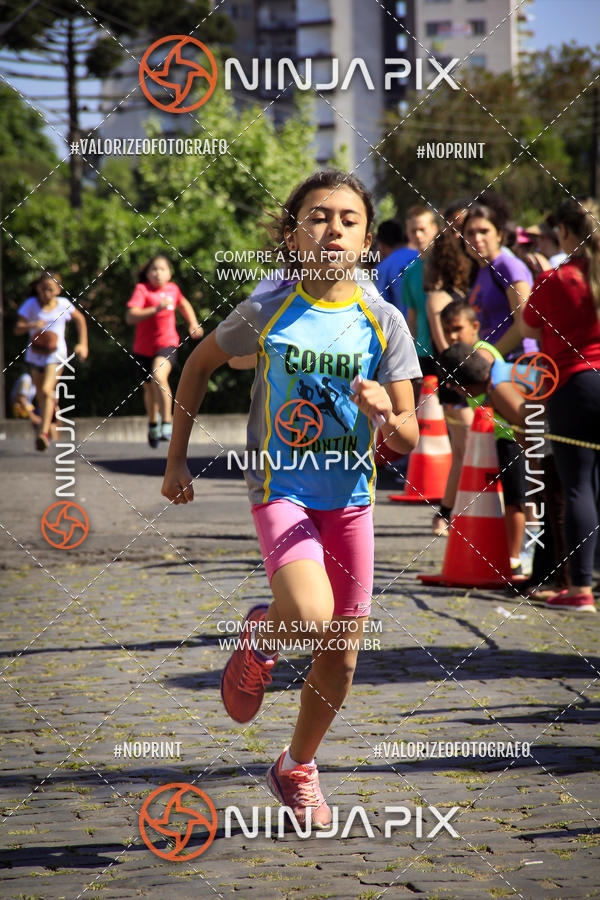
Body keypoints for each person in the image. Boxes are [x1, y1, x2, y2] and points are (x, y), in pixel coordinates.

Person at [161, 170, 420, 827]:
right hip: (281, 489)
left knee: (342, 656)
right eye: (318, 216)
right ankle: (262, 632)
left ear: (367, 240)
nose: (332, 228)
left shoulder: (383, 319)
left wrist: (387, 409)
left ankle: (296, 766)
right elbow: (197, 365)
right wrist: (176, 460)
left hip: (351, 499)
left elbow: (411, 433)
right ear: (293, 233)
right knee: (308, 614)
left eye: (348, 219)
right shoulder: (268, 307)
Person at [521, 197, 600, 613]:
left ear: (566, 234)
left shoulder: (556, 278)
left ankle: (581, 588)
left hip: (574, 385)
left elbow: (529, 323)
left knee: (577, 486)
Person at [438, 300, 528, 575]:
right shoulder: (468, 361)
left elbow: (522, 420)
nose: (452, 335)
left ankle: (514, 559)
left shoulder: (482, 357)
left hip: (510, 437)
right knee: (511, 499)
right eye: (446, 330)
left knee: (517, 500)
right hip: (501, 435)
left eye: (457, 328)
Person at [423, 228, 473, 535]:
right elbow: (445, 348)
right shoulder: (438, 297)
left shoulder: (457, 293)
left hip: (468, 379)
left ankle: (451, 511)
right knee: (466, 449)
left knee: (468, 450)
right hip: (456, 381)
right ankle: (446, 512)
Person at [126, 254, 203, 448]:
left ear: (169, 273)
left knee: (159, 376)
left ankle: (167, 423)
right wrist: (155, 309)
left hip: (167, 343)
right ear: (147, 273)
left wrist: (193, 323)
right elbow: (130, 317)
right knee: (150, 388)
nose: (157, 273)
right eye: (153, 269)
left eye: (162, 269)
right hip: (143, 348)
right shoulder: (142, 290)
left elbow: (183, 304)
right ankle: (153, 423)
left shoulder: (173, 289)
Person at [14, 271, 88, 451]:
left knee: (47, 390)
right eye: (43, 289)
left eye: (50, 289)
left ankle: (44, 432)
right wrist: (32, 325)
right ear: (38, 288)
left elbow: (80, 320)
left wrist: (83, 344)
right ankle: (48, 418)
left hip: (57, 354)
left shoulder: (63, 304)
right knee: (41, 395)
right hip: (35, 354)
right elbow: (18, 329)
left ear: (57, 289)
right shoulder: (31, 305)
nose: (46, 293)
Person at [462, 204, 534, 360]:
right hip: (497, 362)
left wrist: (490, 356)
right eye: (470, 233)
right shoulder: (481, 271)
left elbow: (524, 321)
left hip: (519, 362)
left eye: (484, 231)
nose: (477, 238)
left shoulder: (508, 266)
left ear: (499, 235)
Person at [403, 205, 440, 376]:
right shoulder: (409, 272)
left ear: (434, 229)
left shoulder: (447, 265)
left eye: (422, 229)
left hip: (448, 348)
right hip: (423, 354)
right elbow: (412, 317)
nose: (418, 235)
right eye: (413, 230)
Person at [374, 219, 419, 316]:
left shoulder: (383, 267)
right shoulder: (419, 256)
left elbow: (382, 307)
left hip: (404, 327)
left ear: (381, 244)